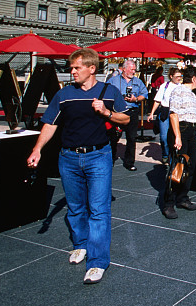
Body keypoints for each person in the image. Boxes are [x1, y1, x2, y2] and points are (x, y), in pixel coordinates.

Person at [26, 48, 129, 284]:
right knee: (74, 207)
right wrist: (37, 149)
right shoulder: (64, 95)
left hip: (98, 157)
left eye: (76, 68)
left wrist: (106, 111)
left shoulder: (110, 91)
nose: (72, 72)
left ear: (92, 69)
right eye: (71, 68)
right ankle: (81, 245)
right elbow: (50, 124)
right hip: (69, 158)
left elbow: (126, 118)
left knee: (99, 209)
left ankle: (97, 262)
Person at [162, 66, 196, 219]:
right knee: (178, 169)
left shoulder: (192, 94)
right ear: (194, 78)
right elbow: (174, 115)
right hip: (181, 130)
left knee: (190, 167)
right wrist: (178, 136)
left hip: (191, 130)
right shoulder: (178, 90)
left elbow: (192, 116)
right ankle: (169, 203)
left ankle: (183, 198)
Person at [107, 59, 148, 171]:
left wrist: (136, 99)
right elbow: (106, 93)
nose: (133, 71)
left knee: (131, 138)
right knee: (113, 137)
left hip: (132, 111)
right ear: (124, 69)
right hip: (117, 112)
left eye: (134, 69)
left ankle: (129, 162)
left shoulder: (138, 81)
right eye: (131, 69)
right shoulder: (113, 80)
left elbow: (144, 94)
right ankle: (110, 159)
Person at [148, 67, 181, 165]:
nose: (179, 78)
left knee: (174, 136)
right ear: (171, 76)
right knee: (163, 137)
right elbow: (158, 100)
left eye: (180, 76)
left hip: (176, 113)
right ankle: (165, 154)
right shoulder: (165, 86)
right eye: (177, 76)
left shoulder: (181, 87)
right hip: (165, 112)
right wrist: (152, 113)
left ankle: (172, 157)